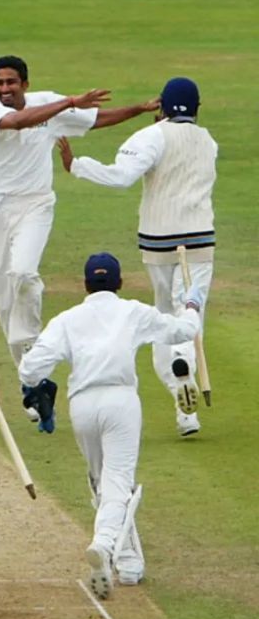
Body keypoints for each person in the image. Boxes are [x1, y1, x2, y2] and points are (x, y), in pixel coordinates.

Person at [18, 252, 202, 599]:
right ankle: (103, 546)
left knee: (104, 484)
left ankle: (130, 565)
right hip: (120, 401)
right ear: (118, 283)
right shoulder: (132, 311)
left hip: (82, 405)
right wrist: (192, 304)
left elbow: (29, 369)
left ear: (86, 285)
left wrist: (40, 387)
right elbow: (184, 330)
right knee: (117, 484)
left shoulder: (67, 319)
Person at [0, 55, 160, 369]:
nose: (5, 88)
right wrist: (69, 102)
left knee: (24, 273)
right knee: (4, 300)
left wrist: (138, 109)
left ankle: (32, 355)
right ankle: (30, 377)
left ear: (25, 84)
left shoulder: (48, 103)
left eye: (11, 82)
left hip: (35, 205)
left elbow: (96, 119)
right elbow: (18, 122)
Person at [58, 77, 217, 437]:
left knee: (164, 316)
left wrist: (77, 165)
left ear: (161, 106)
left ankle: (185, 408)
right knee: (189, 310)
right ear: (197, 108)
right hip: (200, 242)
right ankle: (183, 364)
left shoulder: (152, 136)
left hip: (158, 242)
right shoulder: (209, 141)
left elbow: (121, 177)